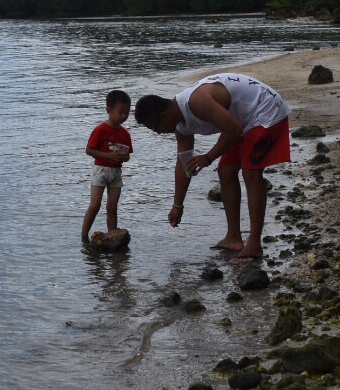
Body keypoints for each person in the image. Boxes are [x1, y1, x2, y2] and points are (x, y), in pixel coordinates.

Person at [133, 73, 291, 264]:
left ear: (163, 115)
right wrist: (177, 205)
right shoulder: (181, 125)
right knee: (225, 171)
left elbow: (233, 130)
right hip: (240, 121)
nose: (158, 133)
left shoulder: (195, 102)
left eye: (155, 128)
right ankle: (233, 238)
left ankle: (255, 244)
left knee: (251, 171)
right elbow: (184, 165)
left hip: (265, 109)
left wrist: (208, 157)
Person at [82, 89, 133, 242]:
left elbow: (128, 156)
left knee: (112, 208)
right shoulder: (100, 130)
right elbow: (89, 150)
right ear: (109, 110)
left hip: (116, 173)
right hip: (101, 170)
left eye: (127, 113)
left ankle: (112, 236)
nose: (124, 116)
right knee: (95, 205)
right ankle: (84, 236)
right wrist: (108, 156)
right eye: (121, 112)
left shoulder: (125, 133)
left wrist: (123, 157)